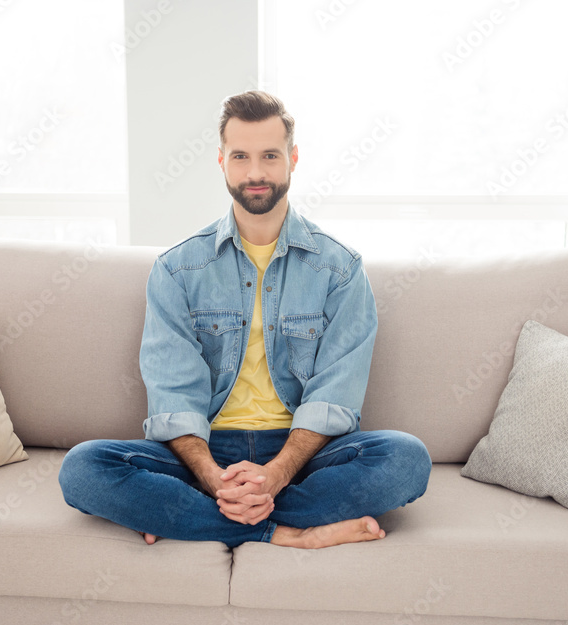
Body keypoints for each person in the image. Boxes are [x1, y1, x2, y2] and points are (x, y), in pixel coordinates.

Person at [58, 91, 431, 549]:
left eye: (270, 156)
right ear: (221, 161)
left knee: (406, 459)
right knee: (82, 468)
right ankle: (288, 534)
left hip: (302, 454)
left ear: (293, 159)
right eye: (241, 156)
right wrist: (215, 478)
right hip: (205, 454)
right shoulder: (177, 269)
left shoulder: (341, 270)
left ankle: (186, 514)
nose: (255, 173)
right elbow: (174, 398)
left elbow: (335, 396)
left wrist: (274, 475)